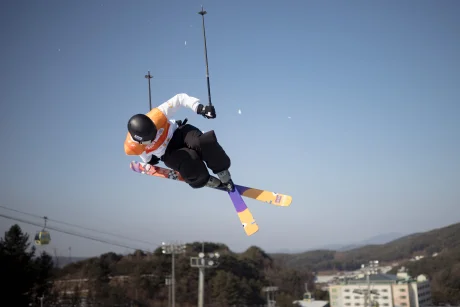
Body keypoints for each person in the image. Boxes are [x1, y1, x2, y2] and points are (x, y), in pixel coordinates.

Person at [124, 93, 234, 191]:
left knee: (201, 142)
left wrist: (200, 108)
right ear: (140, 141)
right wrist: (149, 160)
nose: (155, 137)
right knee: (189, 164)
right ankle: (203, 178)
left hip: (179, 132)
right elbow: (143, 155)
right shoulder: (133, 147)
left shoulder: (157, 116)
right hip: (167, 152)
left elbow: (180, 98)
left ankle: (222, 171)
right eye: (151, 139)